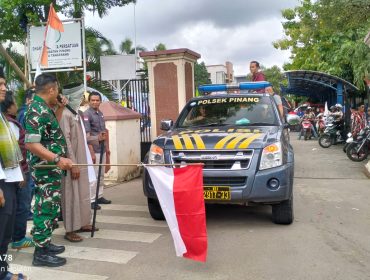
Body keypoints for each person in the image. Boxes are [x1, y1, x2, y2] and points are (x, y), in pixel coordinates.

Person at [24, 73, 73, 267]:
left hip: (51, 169)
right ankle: (41, 253)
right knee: (44, 208)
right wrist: (58, 158)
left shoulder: (45, 108)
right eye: (57, 89)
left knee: (50, 208)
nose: (59, 93)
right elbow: (31, 144)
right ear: (52, 89)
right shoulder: (36, 109)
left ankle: (45, 242)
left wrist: (60, 108)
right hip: (44, 168)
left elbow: (52, 132)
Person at [59, 85, 97, 242]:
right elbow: (65, 141)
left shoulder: (77, 114)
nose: (83, 98)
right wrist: (72, 164)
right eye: (80, 95)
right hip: (72, 162)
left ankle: (82, 223)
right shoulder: (64, 115)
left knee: (82, 193)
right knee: (71, 195)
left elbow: (82, 138)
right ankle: (70, 229)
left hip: (82, 160)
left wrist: (97, 139)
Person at [0, 67, 28, 280]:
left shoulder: (1, 116)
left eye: (4, 84)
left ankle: (3, 271)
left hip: (9, 180)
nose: (4, 88)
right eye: (0, 85)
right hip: (1, 184)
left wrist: (18, 175)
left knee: (5, 234)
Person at [1, 91, 34, 250]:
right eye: (14, 103)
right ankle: (18, 237)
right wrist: (21, 173)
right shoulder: (10, 125)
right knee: (22, 206)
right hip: (15, 173)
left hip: (14, 173)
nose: (16, 106)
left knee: (17, 207)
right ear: (8, 108)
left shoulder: (8, 121)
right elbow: (15, 153)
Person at [83, 91, 111, 210]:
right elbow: (86, 136)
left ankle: (99, 196)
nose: (95, 102)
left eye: (97, 100)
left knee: (101, 175)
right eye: (93, 100)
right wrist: (91, 152)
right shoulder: (86, 114)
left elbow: (104, 131)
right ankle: (92, 200)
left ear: (100, 101)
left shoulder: (100, 113)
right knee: (93, 176)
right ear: (89, 101)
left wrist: (107, 148)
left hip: (102, 148)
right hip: (93, 149)